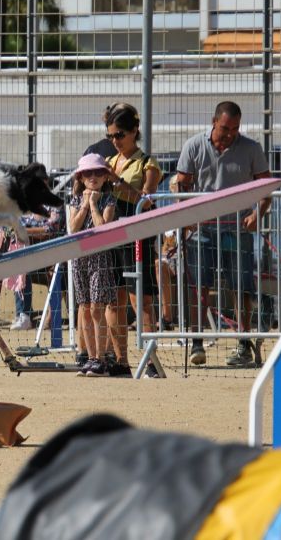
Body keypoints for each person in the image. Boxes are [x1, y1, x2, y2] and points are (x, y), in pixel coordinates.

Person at [171, 101, 271, 368]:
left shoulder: (251, 148)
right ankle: (196, 342)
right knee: (198, 287)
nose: (230, 134)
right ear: (213, 121)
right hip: (201, 230)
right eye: (226, 128)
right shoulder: (194, 146)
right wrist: (185, 218)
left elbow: (266, 188)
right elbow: (181, 187)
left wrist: (256, 215)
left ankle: (243, 345)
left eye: (235, 128)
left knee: (240, 288)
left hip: (237, 229)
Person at [104, 102, 162, 377]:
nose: (115, 141)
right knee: (114, 300)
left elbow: (146, 200)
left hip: (137, 236)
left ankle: (151, 361)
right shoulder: (109, 162)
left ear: (134, 131)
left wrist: (116, 183)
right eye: (110, 136)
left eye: (120, 135)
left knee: (141, 299)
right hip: (112, 234)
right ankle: (120, 360)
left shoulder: (147, 163)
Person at [65, 154, 118, 377]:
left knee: (98, 307)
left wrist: (94, 204)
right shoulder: (74, 200)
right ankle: (89, 356)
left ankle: (101, 359)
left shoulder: (108, 200)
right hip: (79, 258)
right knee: (84, 307)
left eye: (98, 173)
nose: (93, 177)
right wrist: (85, 205)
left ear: (106, 176)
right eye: (88, 173)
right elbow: (73, 228)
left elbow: (102, 228)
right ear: (81, 177)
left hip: (99, 257)